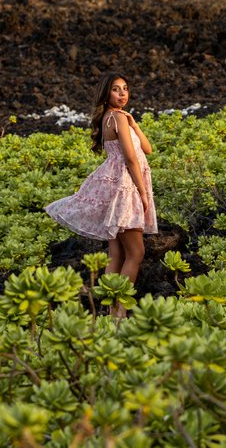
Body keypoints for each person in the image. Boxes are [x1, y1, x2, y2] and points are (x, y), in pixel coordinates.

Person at [45, 72, 157, 317]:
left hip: (113, 186)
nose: (122, 93)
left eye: (125, 88)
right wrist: (142, 192)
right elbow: (130, 158)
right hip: (125, 187)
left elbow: (147, 149)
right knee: (136, 253)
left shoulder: (113, 117)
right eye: (116, 89)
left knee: (116, 253)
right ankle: (119, 310)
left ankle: (110, 309)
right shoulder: (117, 117)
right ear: (106, 94)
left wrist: (134, 123)